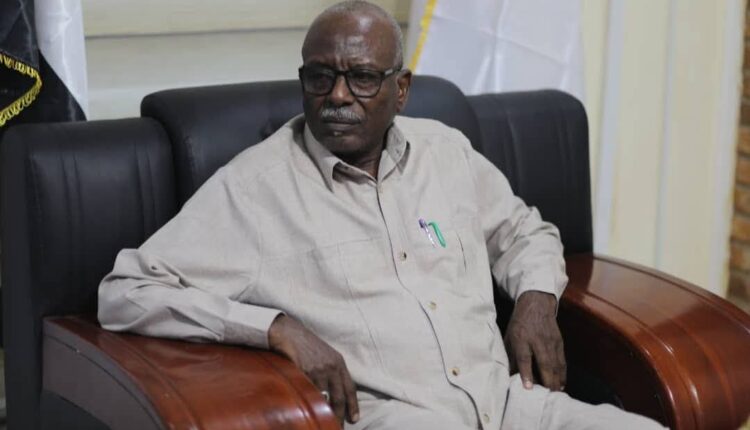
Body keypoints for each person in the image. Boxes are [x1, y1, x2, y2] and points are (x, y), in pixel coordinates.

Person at [98, 2, 665, 429]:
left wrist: (537, 300)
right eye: (320, 77)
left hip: (511, 404)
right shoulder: (255, 189)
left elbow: (524, 232)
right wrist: (275, 329)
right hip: (401, 416)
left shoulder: (444, 151)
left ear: (402, 89)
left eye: (363, 77)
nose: (338, 96)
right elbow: (127, 291)